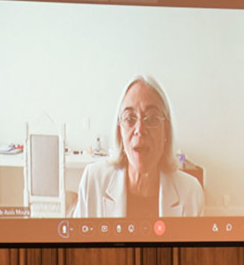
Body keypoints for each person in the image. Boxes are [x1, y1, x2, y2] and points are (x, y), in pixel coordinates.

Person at [72, 75, 204, 218]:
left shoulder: (191, 192)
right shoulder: (93, 181)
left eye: (152, 118)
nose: (140, 129)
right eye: (130, 118)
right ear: (119, 131)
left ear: (165, 129)